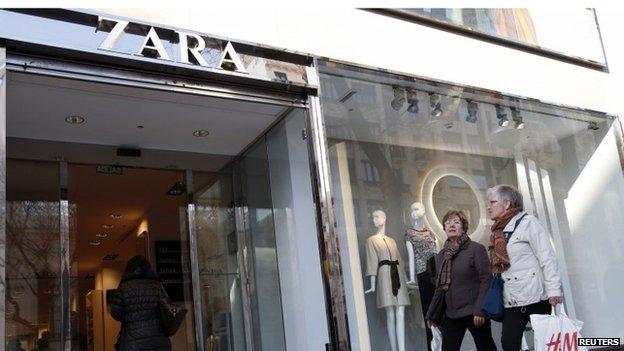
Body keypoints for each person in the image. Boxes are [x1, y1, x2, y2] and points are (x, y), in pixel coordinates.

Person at [486, 185, 562, 351]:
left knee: (547, 344)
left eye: (492, 202)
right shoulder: (497, 231)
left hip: (537, 297)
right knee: (509, 344)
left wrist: (554, 290)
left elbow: (547, 258)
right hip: (512, 299)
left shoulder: (529, 223)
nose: (488, 206)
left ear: (506, 204)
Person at [426, 210, 496, 351]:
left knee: (486, 348)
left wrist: (479, 310)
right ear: (444, 228)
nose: (451, 225)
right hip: (451, 314)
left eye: (456, 222)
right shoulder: (441, 256)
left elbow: (486, 280)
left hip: (474, 313)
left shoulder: (476, 249)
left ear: (463, 228)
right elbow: (440, 288)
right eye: (448, 222)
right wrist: (431, 314)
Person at [109, 255, 171, 351]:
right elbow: (168, 309)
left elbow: (115, 313)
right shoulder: (157, 286)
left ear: (129, 269)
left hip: (133, 342)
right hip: (158, 339)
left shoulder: (124, 287)